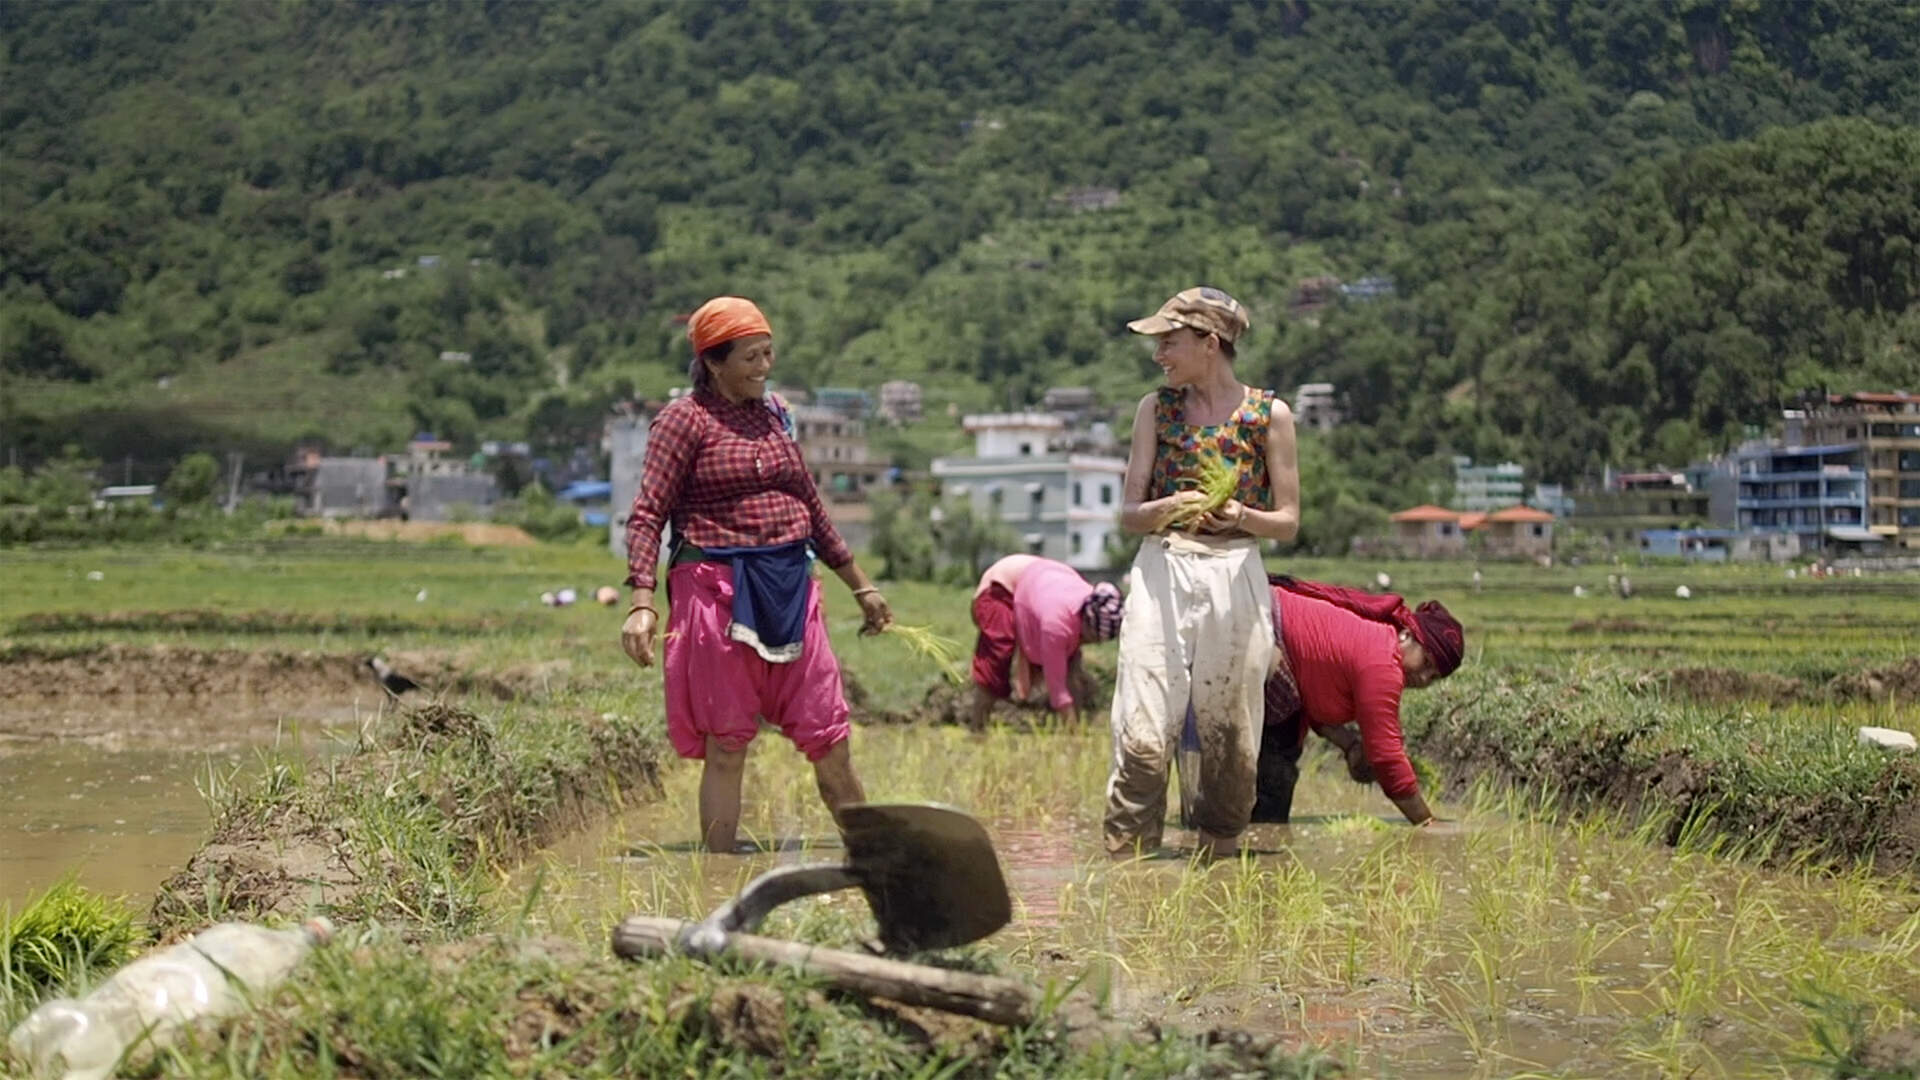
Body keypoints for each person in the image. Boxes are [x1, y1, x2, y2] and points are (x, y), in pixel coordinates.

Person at [618, 296, 892, 852]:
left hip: (791, 585)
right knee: (727, 744)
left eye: (769, 354)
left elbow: (813, 508)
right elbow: (648, 513)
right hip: (716, 591)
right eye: (750, 357)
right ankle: (717, 875)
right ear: (713, 363)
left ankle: (875, 858)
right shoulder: (683, 421)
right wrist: (643, 602)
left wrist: (862, 586)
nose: (763, 367)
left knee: (830, 735)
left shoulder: (777, 415)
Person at [1105, 287, 1300, 859]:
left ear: (1209, 343)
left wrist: (1241, 514)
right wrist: (1163, 510)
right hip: (1163, 566)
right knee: (1142, 725)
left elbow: (1287, 522)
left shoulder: (1269, 416)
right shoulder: (1156, 409)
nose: (1160, 353)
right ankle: (1129, 862)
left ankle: (1218, 858)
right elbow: (1128, 513)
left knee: (1230, 730)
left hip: (1235, 570)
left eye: (1170, 340)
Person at [1251, 575, 1466, 827]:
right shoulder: (1384, 662)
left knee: (1266, 770)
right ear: (1407, 635)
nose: (1423, 677)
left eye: (1433, 677)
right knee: (1272, 781)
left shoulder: (1379, 640)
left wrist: (1350, 746)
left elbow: (1316, 693)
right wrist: (1427, 823)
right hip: (1260, 630)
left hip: (1261, 614)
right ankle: (1252, 840)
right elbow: (1386, 757)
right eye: (1426, 663)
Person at [967, 554, 1125, 729]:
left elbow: (1068, 677)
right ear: (1085, 623)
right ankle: (977, 726)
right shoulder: (1056, 624)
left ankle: (1074, 724)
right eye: (1088, 639)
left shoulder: (1093, 604)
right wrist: (1074, 740)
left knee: (1072, 667)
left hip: (1039, 583)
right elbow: (1057, 687)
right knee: (998, 658)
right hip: (1002, 584)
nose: (1087, 644)